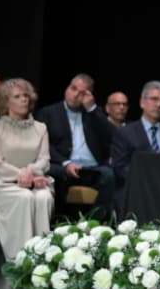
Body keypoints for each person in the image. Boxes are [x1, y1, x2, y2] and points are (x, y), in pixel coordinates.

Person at [0, 78, 55, 261]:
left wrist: (31, 172)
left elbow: (45, 160)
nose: (24, 100)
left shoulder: (40, 128)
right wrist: (21, 175)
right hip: (2, 183)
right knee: (24, 197)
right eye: (18, 96)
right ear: (6, 101)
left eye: (26, 96)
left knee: (44, 197)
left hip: (35, 181)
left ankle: (42, 258)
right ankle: (20, 259)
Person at [39, 74, 126, 218]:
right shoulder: (48, 113)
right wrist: (65, 163)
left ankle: (95, 224)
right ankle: (60, 223)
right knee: (55, 173)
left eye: (82, 93)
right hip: (64, 166)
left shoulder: (92, 114)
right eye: (73, 89)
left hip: (92, 169)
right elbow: (44, 145)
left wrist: (92, 109)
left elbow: (114, 137)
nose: (75, 95)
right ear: (67, 88)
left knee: (109, 175)